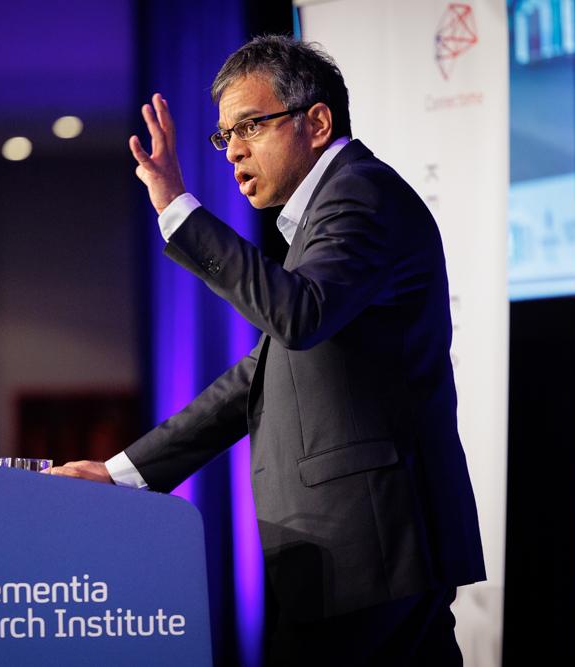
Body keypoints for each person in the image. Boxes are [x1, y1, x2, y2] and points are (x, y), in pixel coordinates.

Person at [50, 35, 485, 665]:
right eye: (224, 136)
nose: (233, 152)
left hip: (372, 551)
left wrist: (177, 207)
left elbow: (298, 315)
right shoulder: (328, 217)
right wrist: (125, 472)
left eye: (250, 126)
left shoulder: (361, 195)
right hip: (358, 558)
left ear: (316, 121)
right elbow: (262, 371)